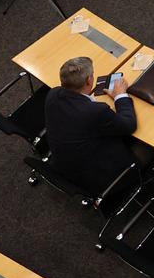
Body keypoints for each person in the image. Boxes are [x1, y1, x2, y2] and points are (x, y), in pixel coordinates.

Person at [45, 55, 139, 190]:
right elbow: (129, 125)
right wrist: (120, 95)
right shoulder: (95, 111)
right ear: (89, 81)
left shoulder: (53, 94)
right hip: (96, 176)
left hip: (63, 164)